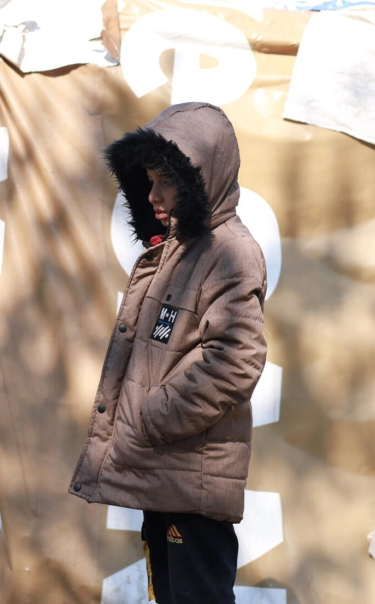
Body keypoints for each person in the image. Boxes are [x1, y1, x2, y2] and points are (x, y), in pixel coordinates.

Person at [69, 103, 268, 604]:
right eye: (147, 181)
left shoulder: (229, 251)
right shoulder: (179, 247)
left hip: (190, 479)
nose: (152, 195)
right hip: (166, 472)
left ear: (201, 180)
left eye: (165, 181)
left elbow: (236, 359)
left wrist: (153, 418)